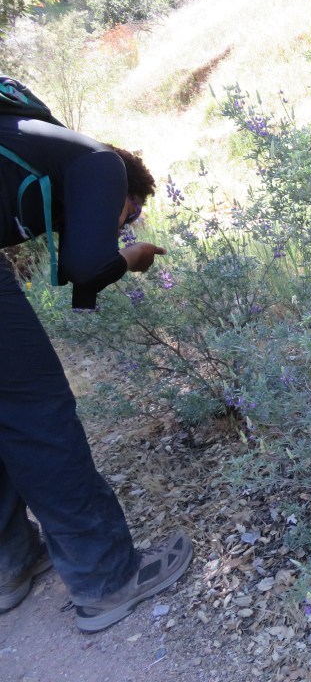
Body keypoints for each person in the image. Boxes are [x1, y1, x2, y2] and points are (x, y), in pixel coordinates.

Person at [0, 114, 193, 632]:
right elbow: (87, 268)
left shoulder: (37, 158)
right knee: (36, 417)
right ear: (121, 190)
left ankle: (11, 563)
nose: (126, 225)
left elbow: (78, 281)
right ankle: (107, 580)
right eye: (131, 212)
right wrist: (130, 258)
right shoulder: (100, 162)